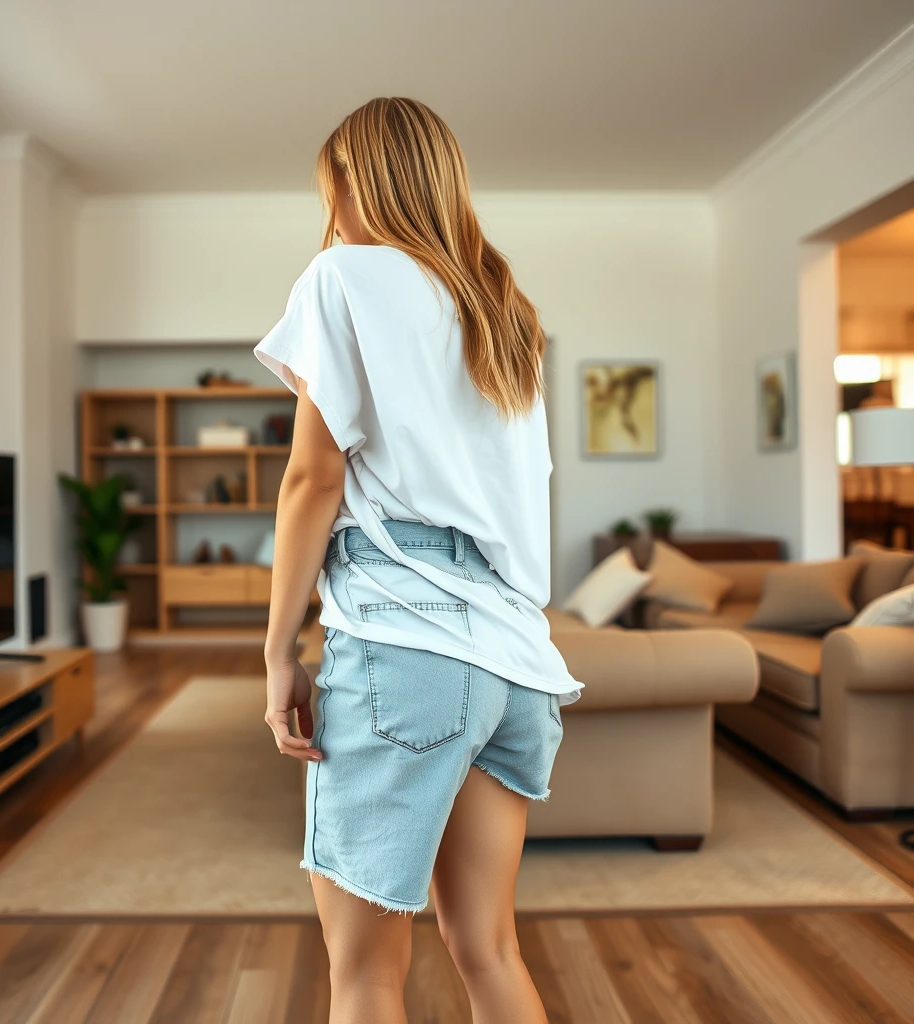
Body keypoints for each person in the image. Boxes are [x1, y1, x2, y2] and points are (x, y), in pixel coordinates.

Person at [254, 96, 583, 1024]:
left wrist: (280, 649)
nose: (333, 211)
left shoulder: (342, 276)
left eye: (336, 187)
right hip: (515, 655)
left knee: (363, 974)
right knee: (489, 949)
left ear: (361, 180)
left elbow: (312, 479)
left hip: (405, 641)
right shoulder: (503, 309)